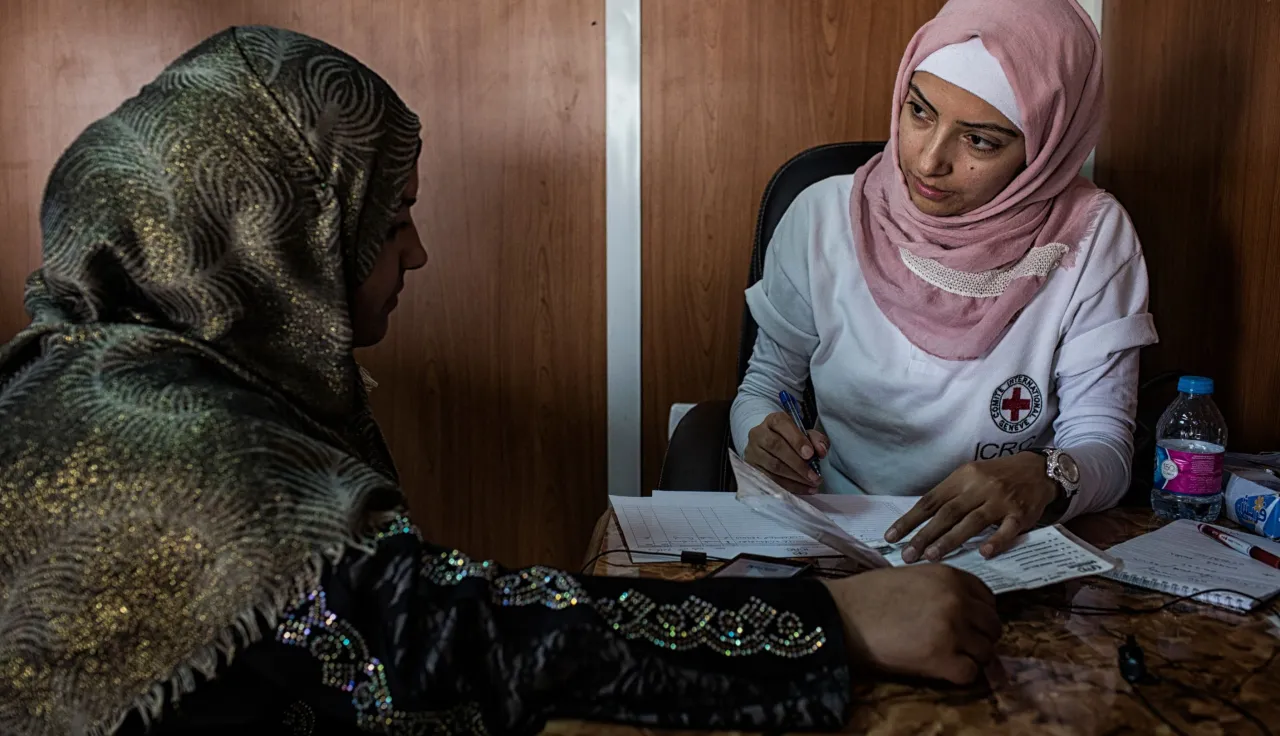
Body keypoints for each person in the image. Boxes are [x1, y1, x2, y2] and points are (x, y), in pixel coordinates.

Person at [0, 27, 1001, 736]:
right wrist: (827, 626)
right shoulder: (157, 435)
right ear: (276, 239)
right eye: (391, 219)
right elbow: (439, 636)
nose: (418, 251)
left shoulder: (103, 367)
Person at [735, 0, 1158, 565]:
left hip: (999, 550)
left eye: (980, 141)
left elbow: (1104, 443)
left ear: (1043, 150)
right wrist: (761, 435)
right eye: (919, 112)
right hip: (834, 531)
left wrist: (1045, 475)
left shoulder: (1091, 237)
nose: (928, 161)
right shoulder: (824, 218)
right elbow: (765, 389)